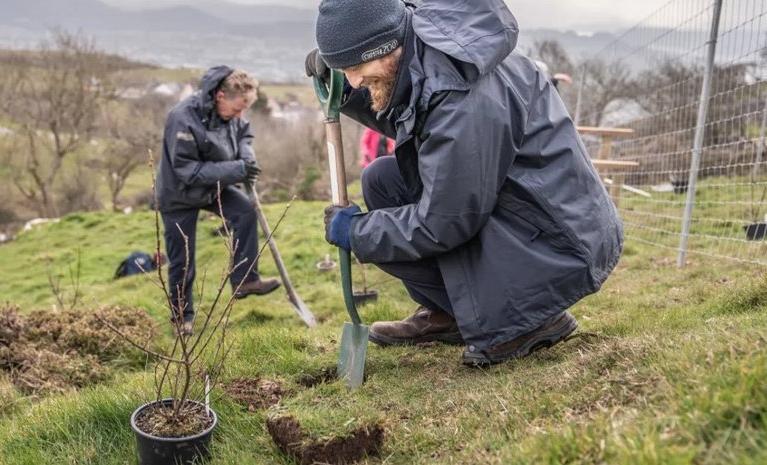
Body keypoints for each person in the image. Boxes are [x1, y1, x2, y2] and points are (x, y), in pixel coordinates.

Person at [306, 0, 622, 367]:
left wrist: (357, 231)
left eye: (355, 69)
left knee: (423, 219)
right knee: (382, 181)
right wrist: (346, 95)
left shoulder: (461, 93)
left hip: (555, 240)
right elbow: (415, 115)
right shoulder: (423, 49)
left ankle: (528, 320)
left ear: (384, 46)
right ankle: (450, 312)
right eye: (344, 71)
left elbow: (444, 222)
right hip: (525, 210)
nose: (354, 79)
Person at [155, 66, 281, 336]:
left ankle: (245, 280)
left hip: (214, 186)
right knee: (182, 259)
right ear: (220, 96)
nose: (240, 115)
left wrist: (246, 158)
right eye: (237, 109)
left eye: (244, 109)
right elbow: (187, 171)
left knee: (245, 211)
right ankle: (182, 318)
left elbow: (244, 133)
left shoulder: (232, 114)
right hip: (179, 195)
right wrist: (237, 169)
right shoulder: (182, 118)